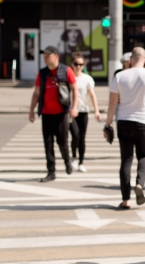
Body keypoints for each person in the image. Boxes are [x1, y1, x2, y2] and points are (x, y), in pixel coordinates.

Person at [105, 47, 145, 209]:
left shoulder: (120, 76)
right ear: (144, 59)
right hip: (144, 122)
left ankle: (125, 199)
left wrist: (107, 123)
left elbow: (112, 102)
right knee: (143, 156)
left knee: (126, 160)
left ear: (130, 59)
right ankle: (139, 184)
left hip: (124, 120)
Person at [29, 46, 79, 183]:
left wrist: (74, 107)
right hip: (46, 114)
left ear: (55, 56)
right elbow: (36, 93)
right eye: (44, 56)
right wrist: (31, 110)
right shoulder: (43, 73)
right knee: (48, 144)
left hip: (61, 114)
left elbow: (75, 89)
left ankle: (67, 162)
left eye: (47, 55)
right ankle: (51, 172)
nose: (45, 58)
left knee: (62, 142)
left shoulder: (66, 70)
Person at [69, 52, 102, 173]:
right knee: (75, 135)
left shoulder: (87, 78)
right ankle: (73, 157)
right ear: (72, 64)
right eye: (76, 64)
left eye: (81, 64)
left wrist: (96, 110)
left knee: (82, 137)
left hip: (83, 111)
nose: (78, 66)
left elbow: (92, 95)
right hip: (72, 112)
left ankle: (81, 162)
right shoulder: (69, 78)